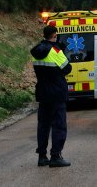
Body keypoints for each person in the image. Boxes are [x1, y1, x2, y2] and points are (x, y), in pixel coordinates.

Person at [31, 25, 72, 167]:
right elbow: (67, 68)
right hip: (57, 94)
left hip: (43, 93)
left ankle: (42, 156)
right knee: (59, 125)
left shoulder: (36, 51)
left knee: (43, 125)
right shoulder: (55, 51)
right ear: (54, 35)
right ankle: (56, 156)